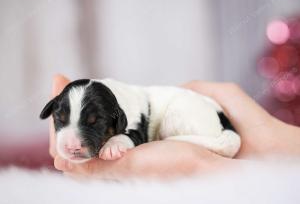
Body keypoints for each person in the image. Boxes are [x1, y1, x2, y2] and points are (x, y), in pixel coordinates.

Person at [49, 75, 300, 180]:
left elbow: (133, 135)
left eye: (93, 124)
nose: (71, 144)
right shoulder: (111, 102)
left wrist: (119, 141)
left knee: (172, 114)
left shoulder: (130, 112)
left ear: (118, 119)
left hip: (208, 125)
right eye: (61, 119)